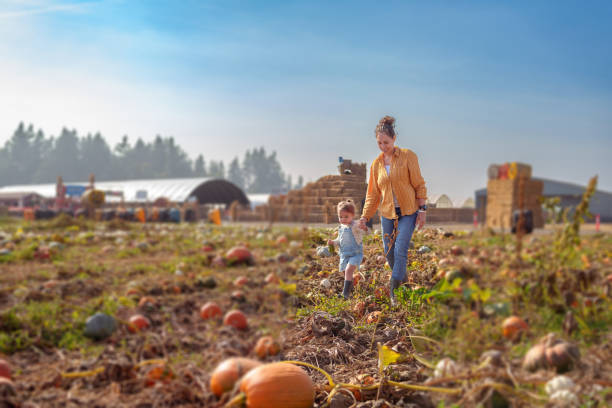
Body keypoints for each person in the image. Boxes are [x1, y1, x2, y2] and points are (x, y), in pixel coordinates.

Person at [359, 116, 427, 306]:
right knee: (389, 253)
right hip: (388, 213)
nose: (383, 146)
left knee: (400, 250)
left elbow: (419, 184)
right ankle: (405, 284)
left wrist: (422, 210)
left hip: (408, 211)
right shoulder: (376, 165)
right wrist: (365, 217)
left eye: (386, 142)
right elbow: (373, 194)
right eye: (379, 142)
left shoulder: (408, 156)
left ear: (394, 138)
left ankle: (393, 292)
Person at [327, 199, 366, 299]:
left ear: (352, 215)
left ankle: (345, 294)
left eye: (346, 217)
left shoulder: (355, 225)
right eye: (340, 217)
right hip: (344, 255)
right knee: (345, 272)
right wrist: (333, 242)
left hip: (355, 254)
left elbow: (363, 230)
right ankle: (350, 290)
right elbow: (339, 240)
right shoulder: (341, 227)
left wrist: (362, 226)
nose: (343, 219)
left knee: (348, 271)